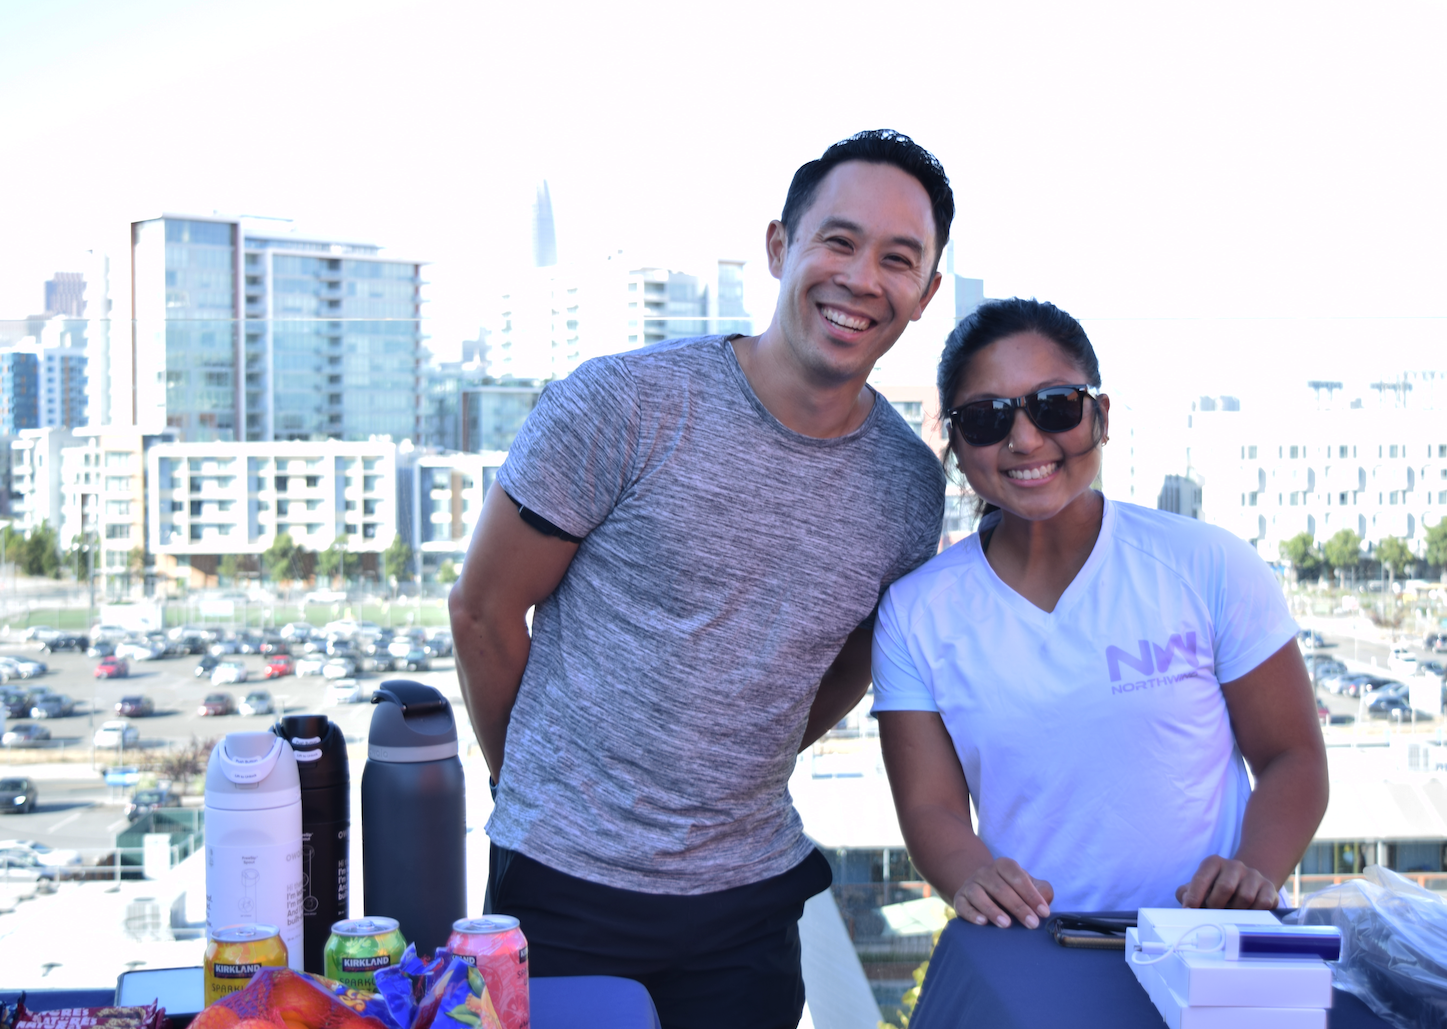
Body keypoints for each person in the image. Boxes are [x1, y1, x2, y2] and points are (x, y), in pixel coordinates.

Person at [448, 130, 952, 1029]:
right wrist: (530, 786)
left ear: (926, 294)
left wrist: (741, 765)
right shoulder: (624, 404)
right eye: (837, 241)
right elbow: (485, 610)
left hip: (747, 902)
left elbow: (856, 658)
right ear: (778, 247)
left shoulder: (911, 486)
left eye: (898, 259)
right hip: (565, 884)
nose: (863, 277)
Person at [873, 298, 1328, 929]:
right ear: (954, 442)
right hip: (1035, 952)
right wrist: (971, 876)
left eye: (1055, 405)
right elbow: (932, 812)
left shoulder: (1208, 565)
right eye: (985, 418)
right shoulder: (915, 613)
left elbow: (1293, 758)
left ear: (1101, 416)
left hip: (1207, 946)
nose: (1026, 439)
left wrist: (1252, 872)